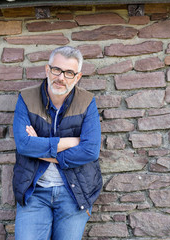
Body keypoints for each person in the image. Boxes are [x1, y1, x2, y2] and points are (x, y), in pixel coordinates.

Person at [12, 46, 102, 240]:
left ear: (77, 77)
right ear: (47, 70)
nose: (61, 77)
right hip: (34, 192)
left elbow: (90, 151)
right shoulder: (26, 98)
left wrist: (42, 148)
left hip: (74, 192)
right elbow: (24, 145)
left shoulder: (87, 102)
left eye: (69, 73)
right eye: (56, 70)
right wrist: (69, 142)